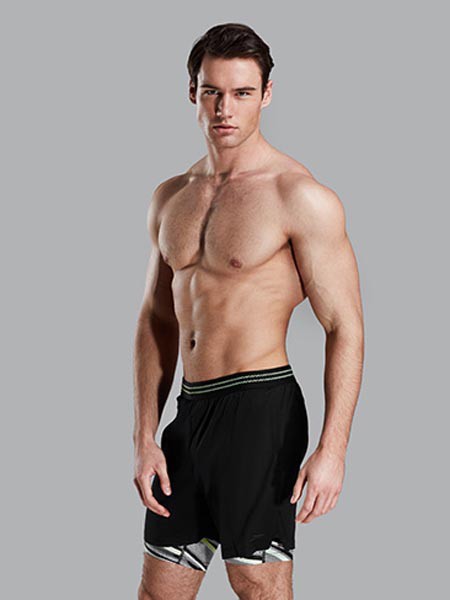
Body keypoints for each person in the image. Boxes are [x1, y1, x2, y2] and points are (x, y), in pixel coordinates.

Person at [133, 22, 364, 600]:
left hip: (261, 411)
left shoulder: (299, 196)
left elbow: (344, 327)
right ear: (192, 91)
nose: (224, 109)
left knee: (258, 588)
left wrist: (333, 450)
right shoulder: (171, 197)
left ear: (266, 94)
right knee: (159, 592)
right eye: (212, 92)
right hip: (189, 413)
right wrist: (145, 435)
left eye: (241, 93)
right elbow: (156, 321)